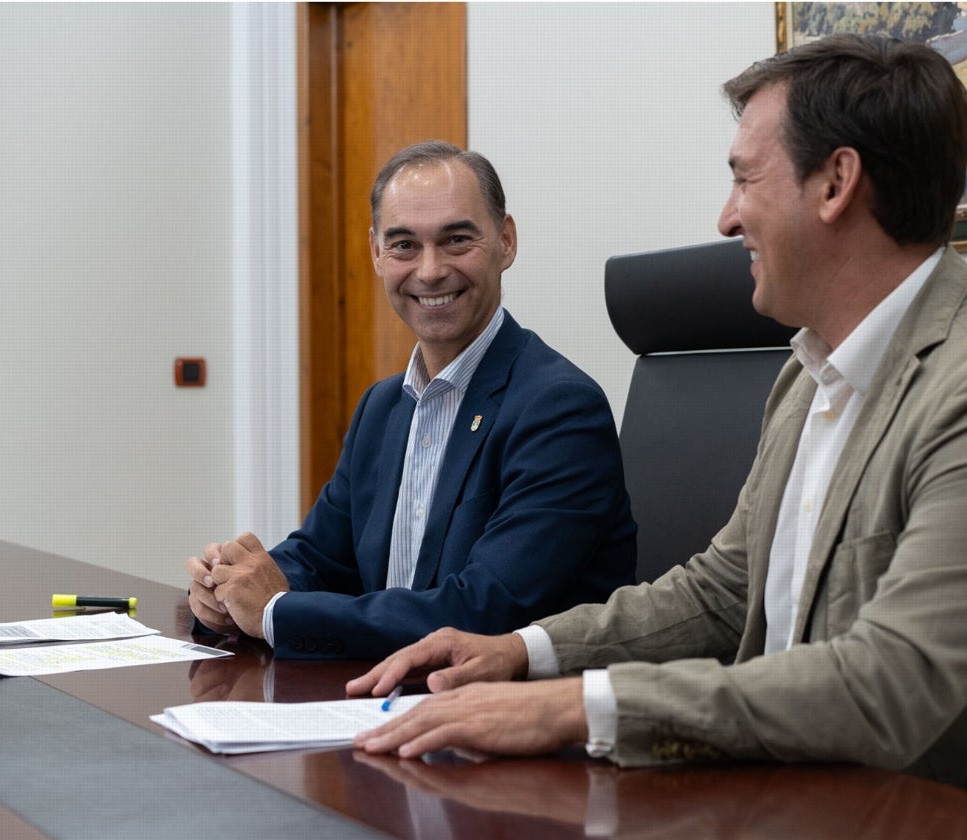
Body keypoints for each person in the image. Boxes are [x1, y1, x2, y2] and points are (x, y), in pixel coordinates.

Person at [347, 36, 967, 799]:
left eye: (745, 178)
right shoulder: (808, 375)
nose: (726, 218)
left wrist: (571, 707)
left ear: (837, 183)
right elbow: (724, 592)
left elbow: (889, 686)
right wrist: (523, 654)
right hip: (805, 788)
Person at [186, 141, 636, 660]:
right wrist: (230, 586)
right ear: (376, 252)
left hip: (508, 719)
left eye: (456, 240)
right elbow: (322, 557)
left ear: (506, 242)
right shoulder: (382, 407)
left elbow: (483, 612)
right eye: (403, 245)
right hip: (388, 701)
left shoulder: (559, 409)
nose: (429, 271)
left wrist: (273, 612)